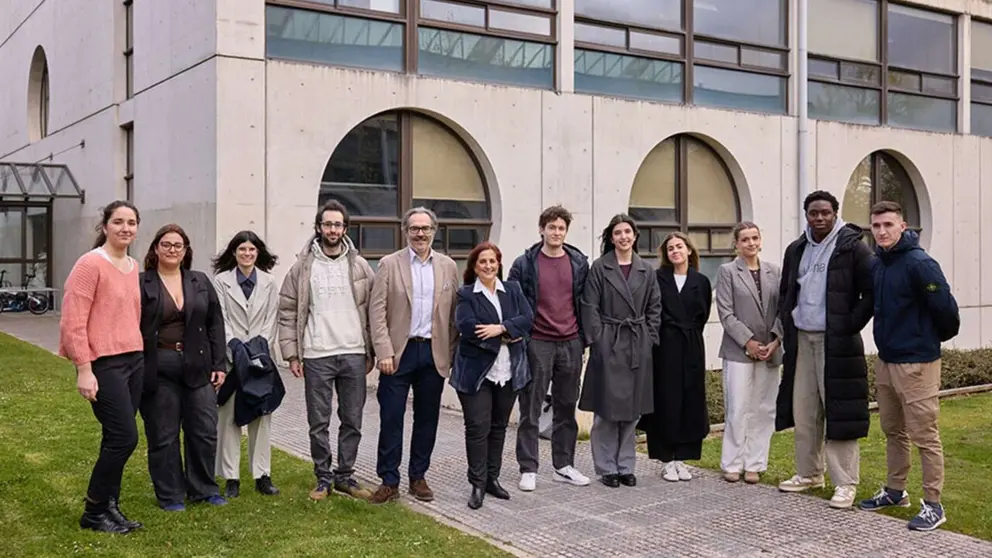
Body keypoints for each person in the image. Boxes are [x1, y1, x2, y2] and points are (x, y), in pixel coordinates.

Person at [858, 201, 959, 532]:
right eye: (876, 226)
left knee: (924, 436)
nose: (882, 231)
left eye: (888, 224)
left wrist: (925, 340)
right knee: (893, 431)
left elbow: (946, 311)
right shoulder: (879, 264)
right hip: (887, 361)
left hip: (917, 363)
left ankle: (933, 504)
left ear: (903, 226)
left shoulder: (921, 263)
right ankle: (895, 491)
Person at [776, 190, 874, 510]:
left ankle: (845, 483)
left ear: (835, 213)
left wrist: (848, 325)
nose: (819, 218)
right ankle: (809, 474)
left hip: (837, 343)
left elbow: (870, 293)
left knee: (839, 412)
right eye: (813, 213)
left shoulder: (852, 247)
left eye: (825, 213)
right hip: (802, 339)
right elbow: (786, 293)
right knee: (804, 411)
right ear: (806, 215)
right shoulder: (796, 249)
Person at [278, 200, 375, 500]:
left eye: (337, 224)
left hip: (354, 353)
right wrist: (293, 354)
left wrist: (372, 350)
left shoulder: (360, 266)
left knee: (352, 419)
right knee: (318, 422)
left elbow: (374, 309)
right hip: (317, 354)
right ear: (318, 227)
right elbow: (287, 309)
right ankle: (323, 478)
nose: (332, 229)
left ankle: (345, 476)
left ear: (345, 228)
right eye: (327, 224)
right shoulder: (302, 267)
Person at [60, 201, 144, 534]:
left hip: (133, 360)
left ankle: (111, 506)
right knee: (125, 437)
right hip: (104, 364)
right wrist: (84, 368)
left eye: (132, 222)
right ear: (105, 226)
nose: (126, 228)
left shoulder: (133, 265)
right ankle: (94, 511)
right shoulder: (89, 264)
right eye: (119, 222)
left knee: (114, 437)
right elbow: (72, 320)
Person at [367, 207, 460, 504]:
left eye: (426, 228)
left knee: (427, 419)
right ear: (405, 231)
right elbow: (376, 312)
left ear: (434, 230)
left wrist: (452, 353)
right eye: (414, 228)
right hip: (398, 354)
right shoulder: (388, 264)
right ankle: (388, 480)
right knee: (391, 417)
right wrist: (383, 351)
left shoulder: (448, 267)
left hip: (433, 353)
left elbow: (454, 315)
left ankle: (418, 477)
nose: (420, 233)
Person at [139, 224, 228, 511]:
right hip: (158, 368)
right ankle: (170, 495)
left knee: (203, 429)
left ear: (186, 250)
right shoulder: (142, 283)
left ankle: (203, 489)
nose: (172, 250)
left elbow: (215, 323)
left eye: (178, 245)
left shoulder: (199, 281)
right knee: (163, 434)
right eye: (166, 244)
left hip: (198, 366)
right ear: (156, 248)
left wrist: (219, 363)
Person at [509, 204, 591, 492]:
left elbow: (585, 302)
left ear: (566, 232)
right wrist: (520, 338)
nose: (556, 232)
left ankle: (563, 465)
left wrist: (583, 339)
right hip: (538, 342)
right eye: (551, 227)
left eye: (561, 228)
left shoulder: (579, 262)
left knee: (566, 408)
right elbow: (513, 302)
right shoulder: (524, 263)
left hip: (570, 342)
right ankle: (528, 467)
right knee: (530, 408)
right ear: (541, 229)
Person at [579, 214, 661, 488]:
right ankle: (605, 467)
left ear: (635, 236)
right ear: (611, 238)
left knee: (632, 410)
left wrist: (648, 339)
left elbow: (654, 308)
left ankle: (626, 465)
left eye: (628, 232)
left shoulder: (646, 271)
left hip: (637, 344)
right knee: (605, 410)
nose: (623, 237)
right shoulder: (600, 268)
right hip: (609, 343)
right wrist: (598, 340)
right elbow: (589, 307)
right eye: (618, 233)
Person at [451, 242, 534, 509]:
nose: (488, 266)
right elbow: (466, 327)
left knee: (498, 427)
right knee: (477, 428)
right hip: (476, 373)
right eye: (482, 262)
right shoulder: (466, 294)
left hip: (507, 371)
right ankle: (476, 483)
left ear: (499, 263)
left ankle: (492, 479)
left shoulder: (513, 289)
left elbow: (527, 318)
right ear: (475, 267)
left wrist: (501, 329)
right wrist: (510, 335)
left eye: (492, 261)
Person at [212, 230, 284, 498]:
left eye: (252, 250)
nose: (247, 254)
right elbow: (220, 318)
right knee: (229, 418)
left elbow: (271, 318)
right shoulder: (221, 282)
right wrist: (235, 347)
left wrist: (257, 351)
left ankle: (261, 475)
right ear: (234, 252)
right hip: (232, 360)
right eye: (242, 249)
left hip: (261, 359)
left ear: (258, 253)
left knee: (261, 416)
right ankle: (231, 477)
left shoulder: (268, 282)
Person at [639, 232, 712, 482]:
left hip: (691, 344)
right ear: (666, 254)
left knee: (689, 399)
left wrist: (688, 334)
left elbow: (702, 315)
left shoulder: (700, 281)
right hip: (664, 344)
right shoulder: (658, 278)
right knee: (665, 398)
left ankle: (682, 458)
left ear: (689, 250)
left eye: (679, 246)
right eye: (670, 248)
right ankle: (666, 459)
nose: (675, 251)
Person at [714, 222, 782, 484]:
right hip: (739, 351)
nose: (751, 243)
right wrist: (749, 342)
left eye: (755, 238)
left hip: (771, 350)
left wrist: (775, 341)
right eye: (745, 239)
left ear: (760, 240)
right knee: (738, 407)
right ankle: (732, 462)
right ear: (737, 244)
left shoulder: (774, 271)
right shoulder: (728, 272)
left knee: (764, 409)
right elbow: (726, 313)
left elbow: (783, 309)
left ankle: (754, 463)